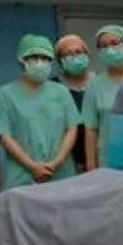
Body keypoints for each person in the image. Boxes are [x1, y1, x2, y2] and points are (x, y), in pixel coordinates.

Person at [0, 34, 81, 190]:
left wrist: (56, 163)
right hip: (21, 174)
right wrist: (32, 166)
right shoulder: (5, 94)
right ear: (21, 59)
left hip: (60, 172)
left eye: (45, 58)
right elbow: (4, 135)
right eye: (33, 57)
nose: (40, 62)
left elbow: (72, 129)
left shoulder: (61, 91)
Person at [82, 25, 123, 170]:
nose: (109, 49)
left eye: (114, 43)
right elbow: (91, 129)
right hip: (109, 160)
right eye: (103, 46)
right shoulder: (94, 85)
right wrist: (91, 166)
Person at [53, 35, 93, 173]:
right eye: (67, 54)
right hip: (64, 161)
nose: (74, 57)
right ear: (60, 60)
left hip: (99, 158)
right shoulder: (53, 87)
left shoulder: (100, 83)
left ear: (87, 54)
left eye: (78, 52)